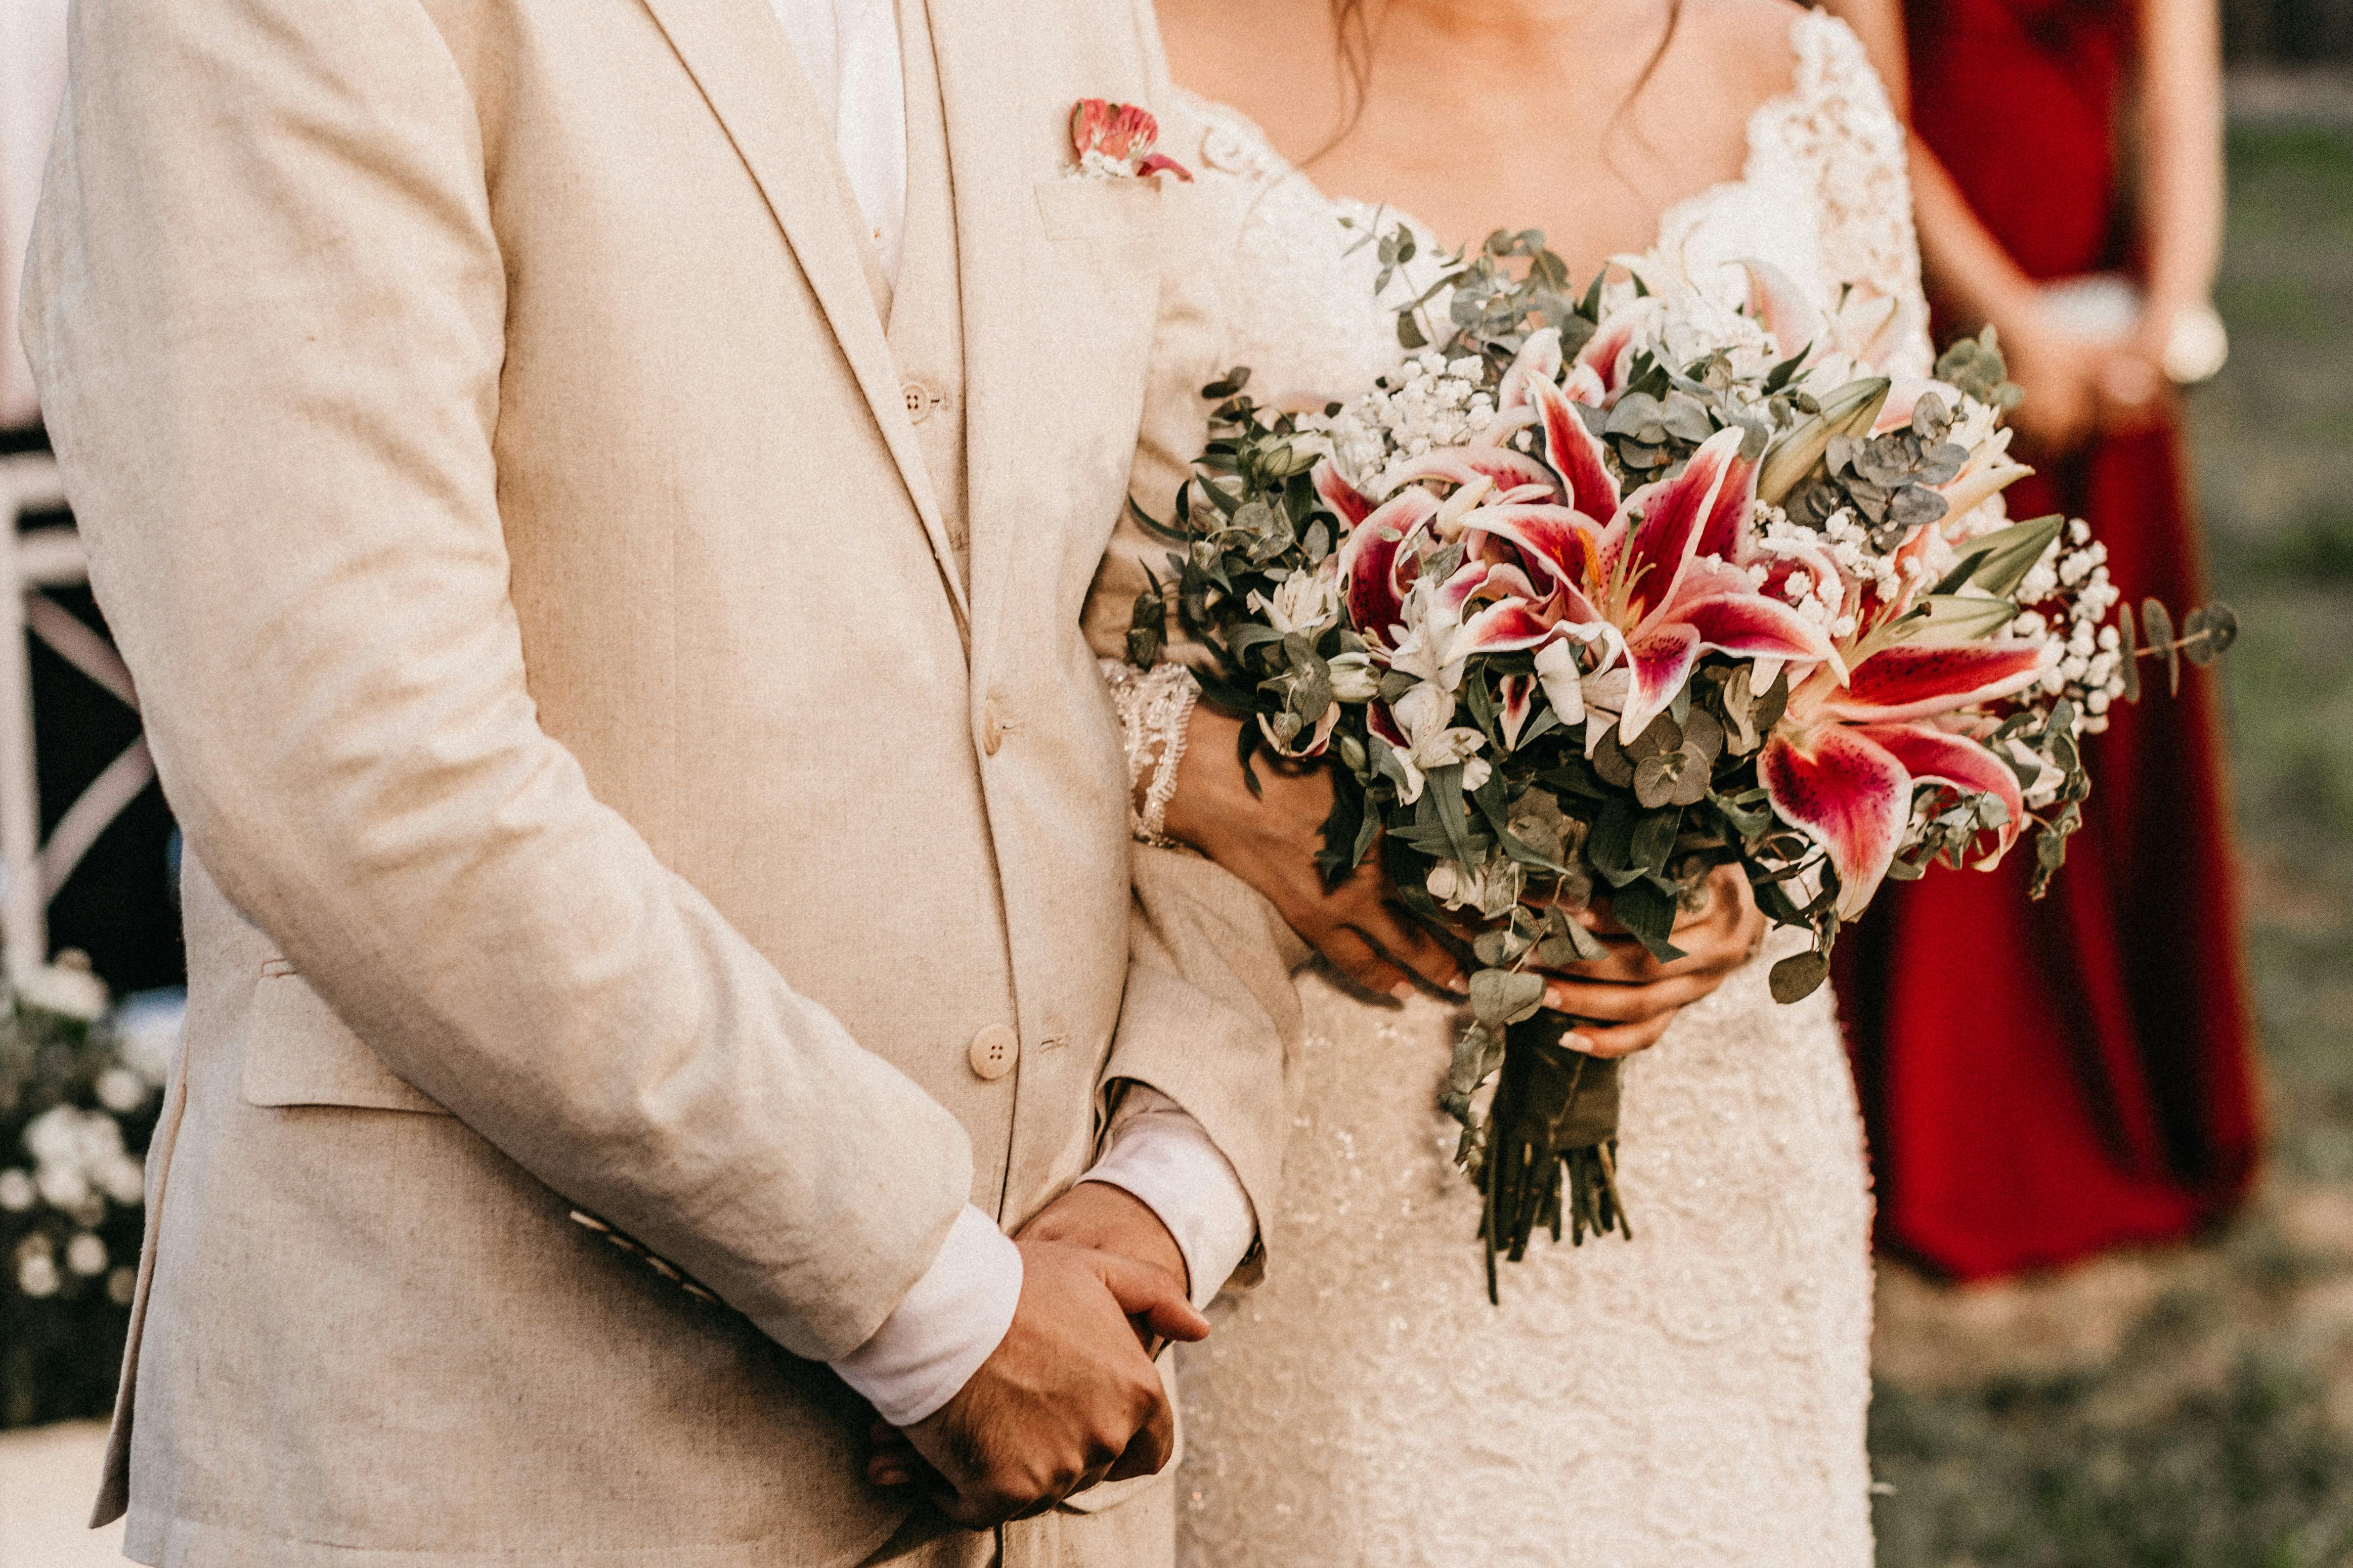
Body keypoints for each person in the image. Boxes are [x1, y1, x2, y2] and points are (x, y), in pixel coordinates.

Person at [22, 1, 1305, 1563]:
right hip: (494, 1456)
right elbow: (358, 752)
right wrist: (925, 1295)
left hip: (1073, 1466)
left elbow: (1193, 613)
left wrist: (1168, 1170)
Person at [1078, 0, 1929, 1559]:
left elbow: (1906, 609)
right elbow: (963, 603)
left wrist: (1767, 860)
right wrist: (1186, 766)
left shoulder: (1795, 76)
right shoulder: (1114, 68)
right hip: (1291, 1086)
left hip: (1722, 1141)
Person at [1822, 0, 2260, 1280]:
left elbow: (2173, 106)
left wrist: (2159, 325)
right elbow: (1869, 114)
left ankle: (2141, 1103)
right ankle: (1961, 1134)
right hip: (1949, 348)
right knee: (1956, 725)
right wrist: (2011, 328)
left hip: (2116, 360)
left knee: (2116, 724)